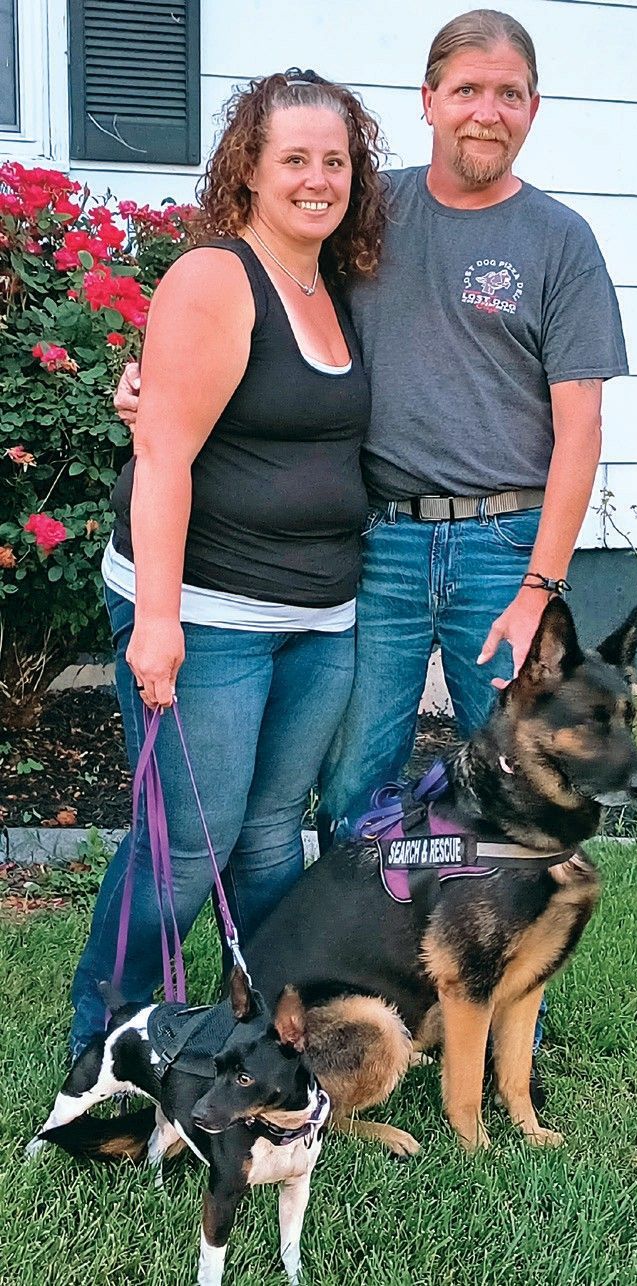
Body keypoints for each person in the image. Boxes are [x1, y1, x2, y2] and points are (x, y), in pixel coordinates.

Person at [115, 11, 628, 1055]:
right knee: (360, 791)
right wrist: (149, 383)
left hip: (501, 549)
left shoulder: (559, 241)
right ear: (429, 99)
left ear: (532, 109)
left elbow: (581, 425)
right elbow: (250, 310)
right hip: (377, 551)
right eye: (468, 89)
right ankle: (360, 993)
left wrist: (539, 583)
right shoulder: (362, 213)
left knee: (517, 788)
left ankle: (498, 996)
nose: (488, 111)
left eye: (510, 93)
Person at [69, 71, 386, 1056]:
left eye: (334, 159)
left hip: (317, 617)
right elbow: (162, 451)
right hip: (205, 612)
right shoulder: (218, 276)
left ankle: (263, 1041)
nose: (317, 178)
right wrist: (156, 622)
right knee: (183, 850)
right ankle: (109, 1048)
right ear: (248, 167)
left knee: (264, 837)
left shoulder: (332, 284)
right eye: (294, 157)